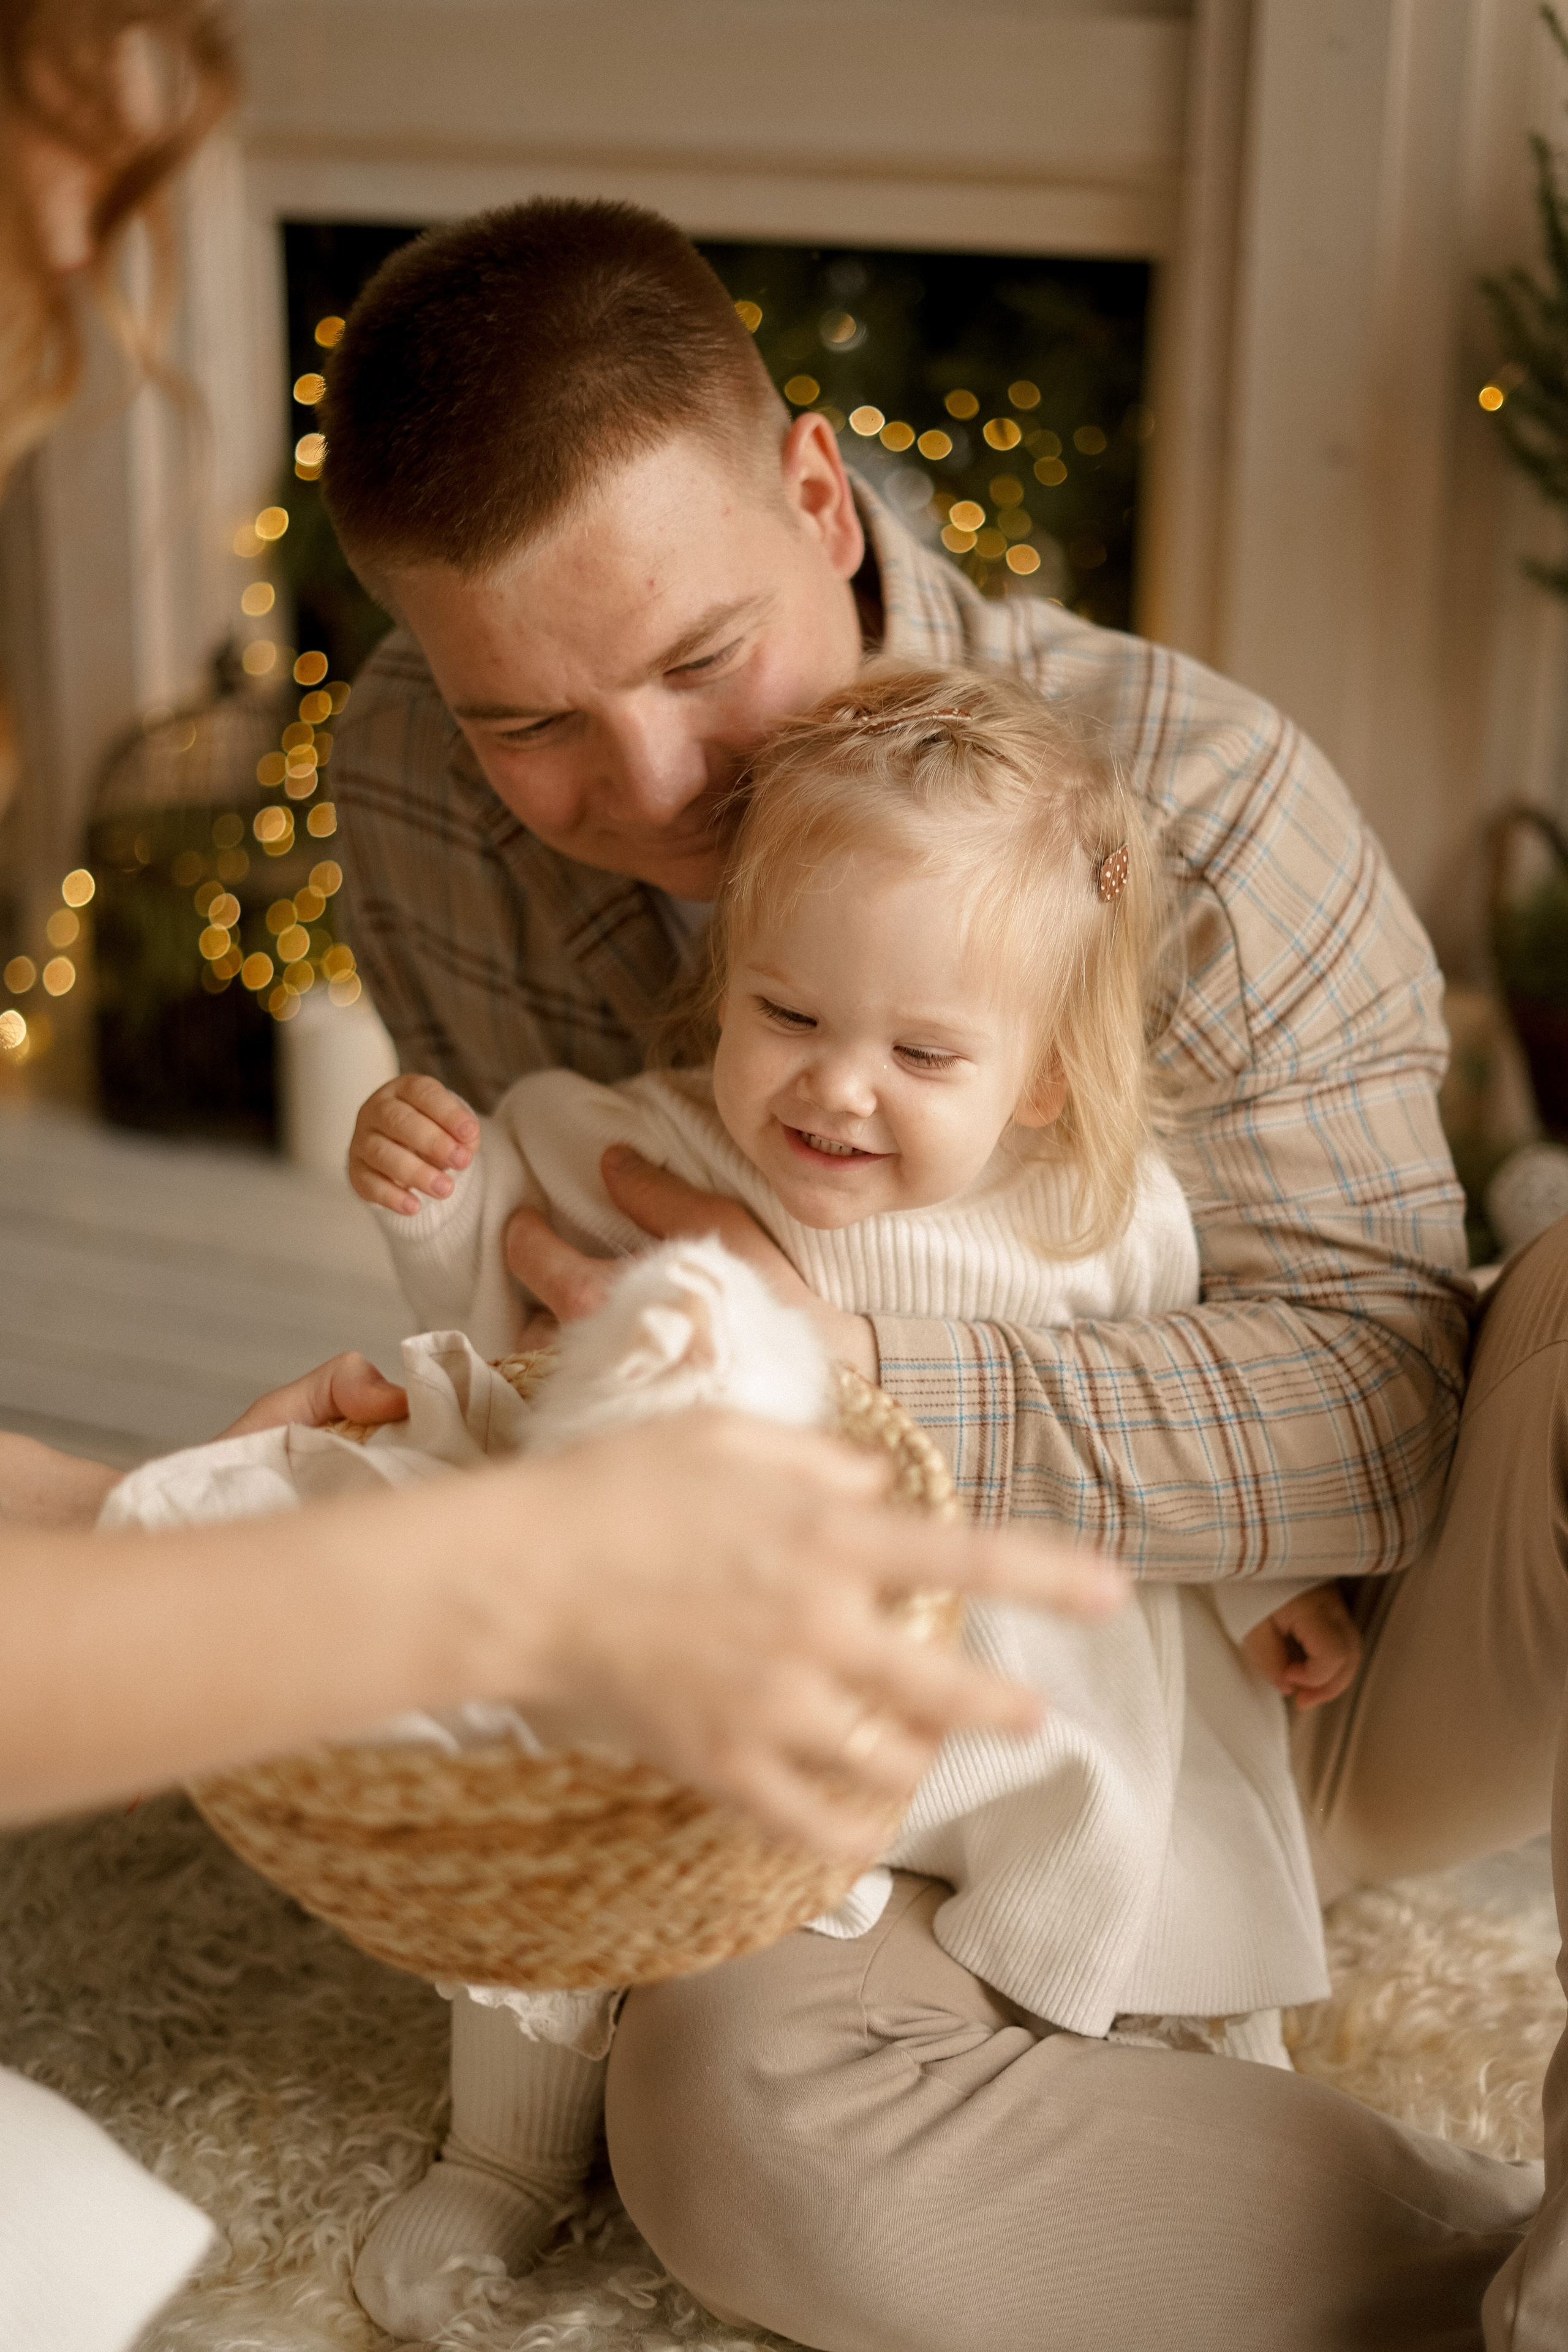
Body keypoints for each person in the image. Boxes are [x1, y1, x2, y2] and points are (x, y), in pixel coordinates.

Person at [320, 195, 1568, 2346]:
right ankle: (1480, 2269)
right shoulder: (415, 797)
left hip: (1310, 1680)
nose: (649, 786)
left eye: (705, 660)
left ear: (818, 491)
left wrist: (841, 1365)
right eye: (533, 720)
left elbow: (1382, 1424)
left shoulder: (1207, 804)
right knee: (718, 2116)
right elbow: (547, 1289)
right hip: (899, 1736)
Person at [0, 17, 1129, 2350]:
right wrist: (478, 1543)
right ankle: (503, 2142)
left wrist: (141, 1516)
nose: (68, 303)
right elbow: (511, 1223)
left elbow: (1262, 1346)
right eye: (51, 207)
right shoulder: (594, 1050)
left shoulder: (1111, 942)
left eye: (102, 223)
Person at [343, 660, 1366, 2335]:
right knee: (556, 1787)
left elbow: (1185, 1414)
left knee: (1151, 1885)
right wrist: (430, 1190)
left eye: (922, 1050)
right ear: (731, 987)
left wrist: (1273, 1589)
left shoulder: (1095, 1220)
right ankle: (508, 2155)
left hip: (1017, 1687)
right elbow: (496, 1270)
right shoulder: (650, 1145)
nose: (835, 1087)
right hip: (754, 1672)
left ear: (1037, 1076)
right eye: (791, 1017)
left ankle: (1196, 2126)